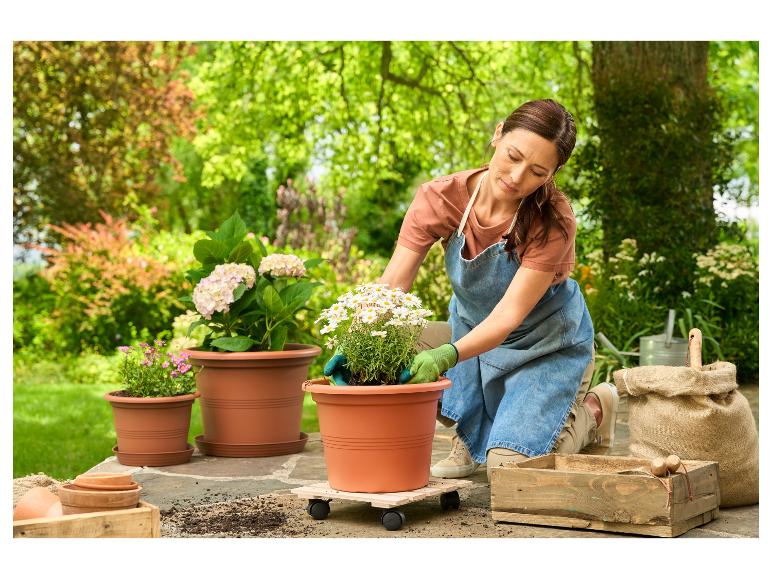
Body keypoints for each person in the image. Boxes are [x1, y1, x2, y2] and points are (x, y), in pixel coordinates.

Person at [324, 99, 619, 480]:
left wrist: (446, 355)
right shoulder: (441, 197)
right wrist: (361, 341)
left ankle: (594, 410)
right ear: (498, 134)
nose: (516, 177)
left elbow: (509, 316)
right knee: (394, 346)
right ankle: (469, 431)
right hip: (471, 332)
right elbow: (394, 283)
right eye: (512, 156)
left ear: (553, 173)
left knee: (510, 470)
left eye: (536, 172)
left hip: (542, 346)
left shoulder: (553, 220)